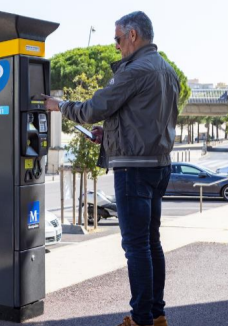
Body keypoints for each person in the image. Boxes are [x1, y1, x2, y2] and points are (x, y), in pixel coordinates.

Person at [43, 11, 179, 326]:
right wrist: (109, 136)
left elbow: (93, 109)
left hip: (133, 170)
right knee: (151, 243)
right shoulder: (167, 71)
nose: (116, 45)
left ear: (133, 35)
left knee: (135, 248)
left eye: (118, 38)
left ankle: (141, 319)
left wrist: (60, 106)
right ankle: (157, 316)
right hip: (159, 167)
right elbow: (145, 121)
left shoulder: (134, 70)